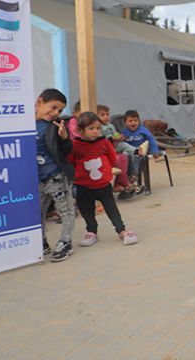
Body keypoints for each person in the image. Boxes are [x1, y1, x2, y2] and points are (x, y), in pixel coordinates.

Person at [69, 111, 139, 247]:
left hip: (103, 185)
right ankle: (91, 232)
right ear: (80, 130)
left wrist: (112, 172)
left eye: (98, 128)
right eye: (91, 128)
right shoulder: (75, 146)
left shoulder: (104, 143)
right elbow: (71, 162)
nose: (96, 131)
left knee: (111, 209)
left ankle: (121, 230)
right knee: (86, 210)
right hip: (83, 186)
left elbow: (113, 158)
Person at [35, 88, 77, 263]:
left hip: (56, 177)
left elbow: (67, 151)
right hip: (37, 179)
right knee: (37, 213)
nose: (55, 113)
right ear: (39, 102)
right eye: (52, 107)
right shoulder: (21, 123)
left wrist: (65, 137)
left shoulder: (56, 126)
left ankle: (65, 242)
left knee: (65, 210)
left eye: (59, 110)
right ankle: (41, 242)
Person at [97, 105, 140, 199]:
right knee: (120, 156)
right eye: (102, 115)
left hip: (114, 146)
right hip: (105, 150)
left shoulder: (111, 125)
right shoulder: (97, 127)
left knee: (125, 153)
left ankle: (121, 182)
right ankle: (125, 182)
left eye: (107, 114)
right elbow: (100, 139)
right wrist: (111, 138)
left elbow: (115, 135)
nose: (106, 117)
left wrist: (119, 137)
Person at [120, 109, 162, 191]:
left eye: (135, 120)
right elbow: (121, 143)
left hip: (141, 150)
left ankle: (134, 176)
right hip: (129, 151)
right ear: (125, 123)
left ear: (139, 121)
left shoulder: (143, 130)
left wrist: (155, 151)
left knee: (136, 156)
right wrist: (120, 139)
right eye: (130, 121)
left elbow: (151, 140)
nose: (133, 123)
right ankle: (126, 178)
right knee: (124, 155)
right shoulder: (124, 132)